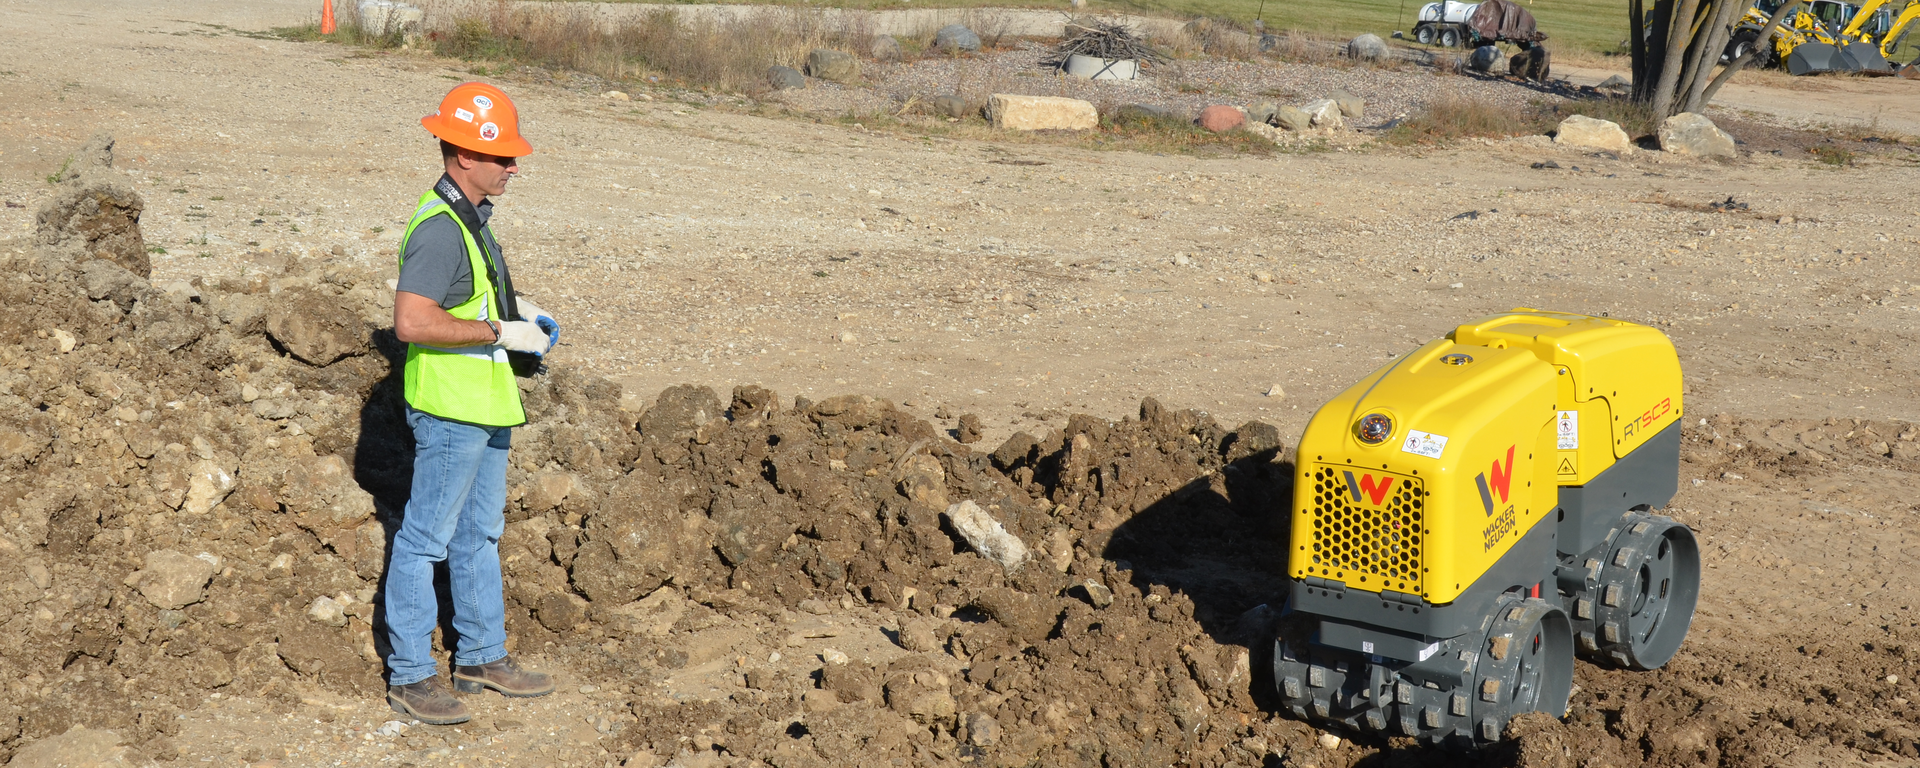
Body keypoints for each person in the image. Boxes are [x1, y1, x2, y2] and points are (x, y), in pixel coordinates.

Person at [384, 82, 560, 725]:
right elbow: (411, 322)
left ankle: (482, 655)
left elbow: (469, 299)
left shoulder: (471, 217)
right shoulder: (439, 229)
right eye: (502, 157)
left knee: (479, 535)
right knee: (425, 539)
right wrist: (497, 333)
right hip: (452, 410)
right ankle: (410, 675)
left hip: (487, 407)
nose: (514, 167)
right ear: (462, 156)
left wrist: (520, 316)